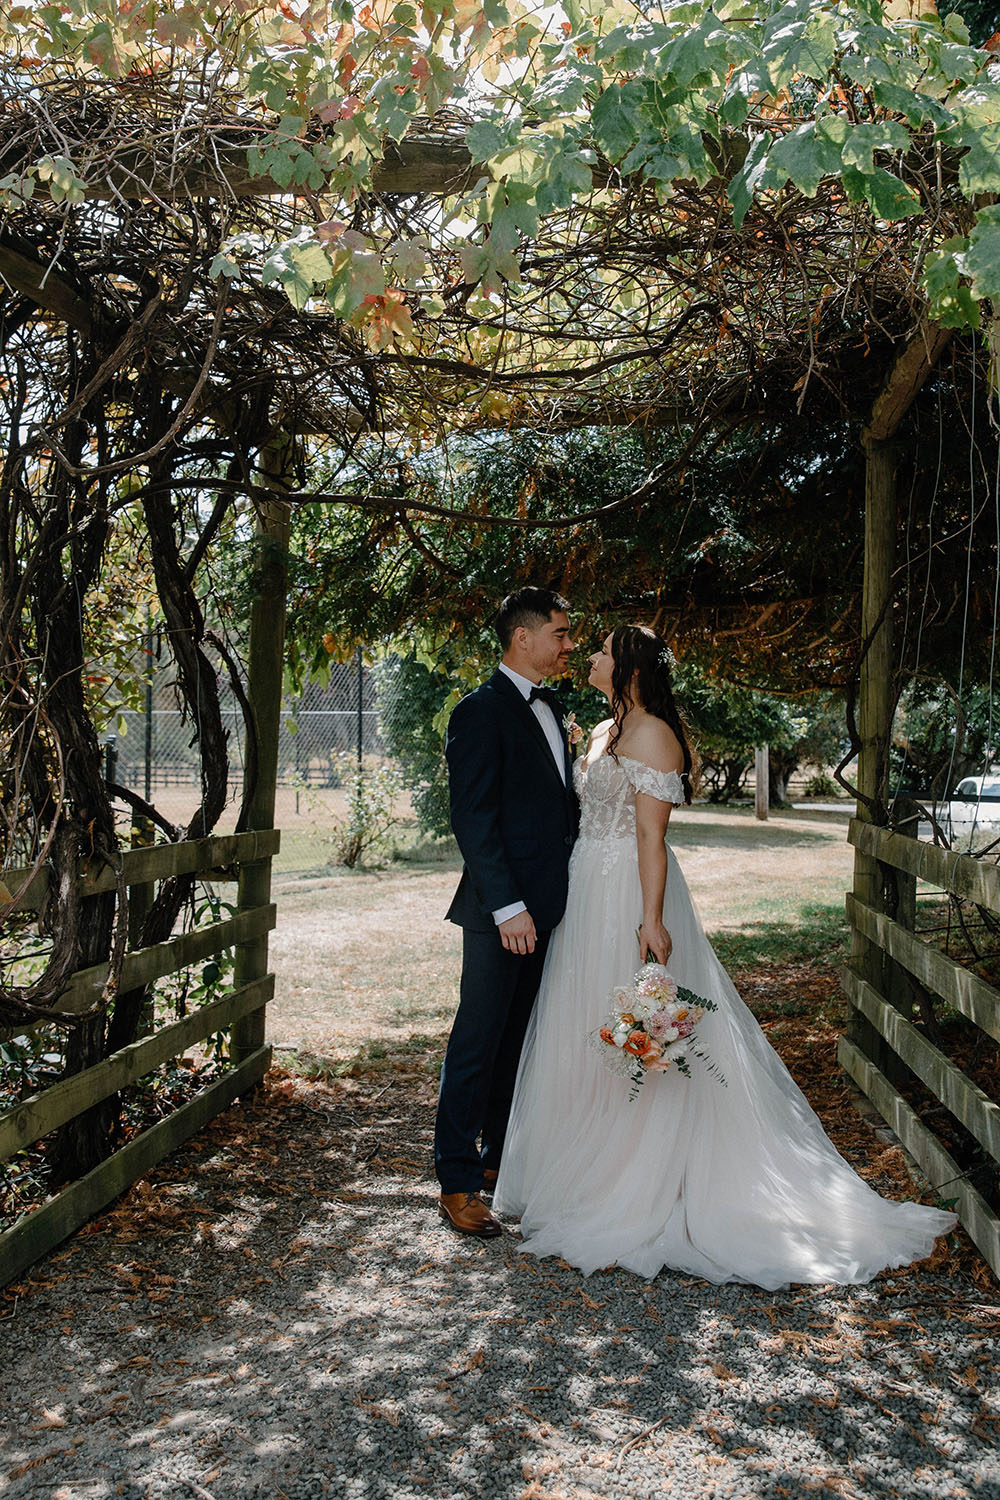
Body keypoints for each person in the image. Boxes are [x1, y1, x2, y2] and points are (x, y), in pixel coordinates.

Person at [494, 625, 957, 1287]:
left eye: (599, 650)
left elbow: (651, 837)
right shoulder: (601, 730)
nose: (588, 656)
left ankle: (639, 1175)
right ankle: (578, 1168)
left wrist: (650, 921)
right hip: (585, 889)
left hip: (629, 892)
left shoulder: (652, 733)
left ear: (626, 668)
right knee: (583, 1024)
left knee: (640, 1035)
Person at [435, 586, 580, 1237]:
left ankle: (497, 1160)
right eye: (560, 631)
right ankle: (457, 1179)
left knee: (520, 1041)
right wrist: (509, 906)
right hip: (503, 913)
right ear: (523, 637)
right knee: (478, 1040)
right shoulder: (479, 711)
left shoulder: (554, 708)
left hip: (549, 909)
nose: (568, 642)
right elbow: (474, 819)